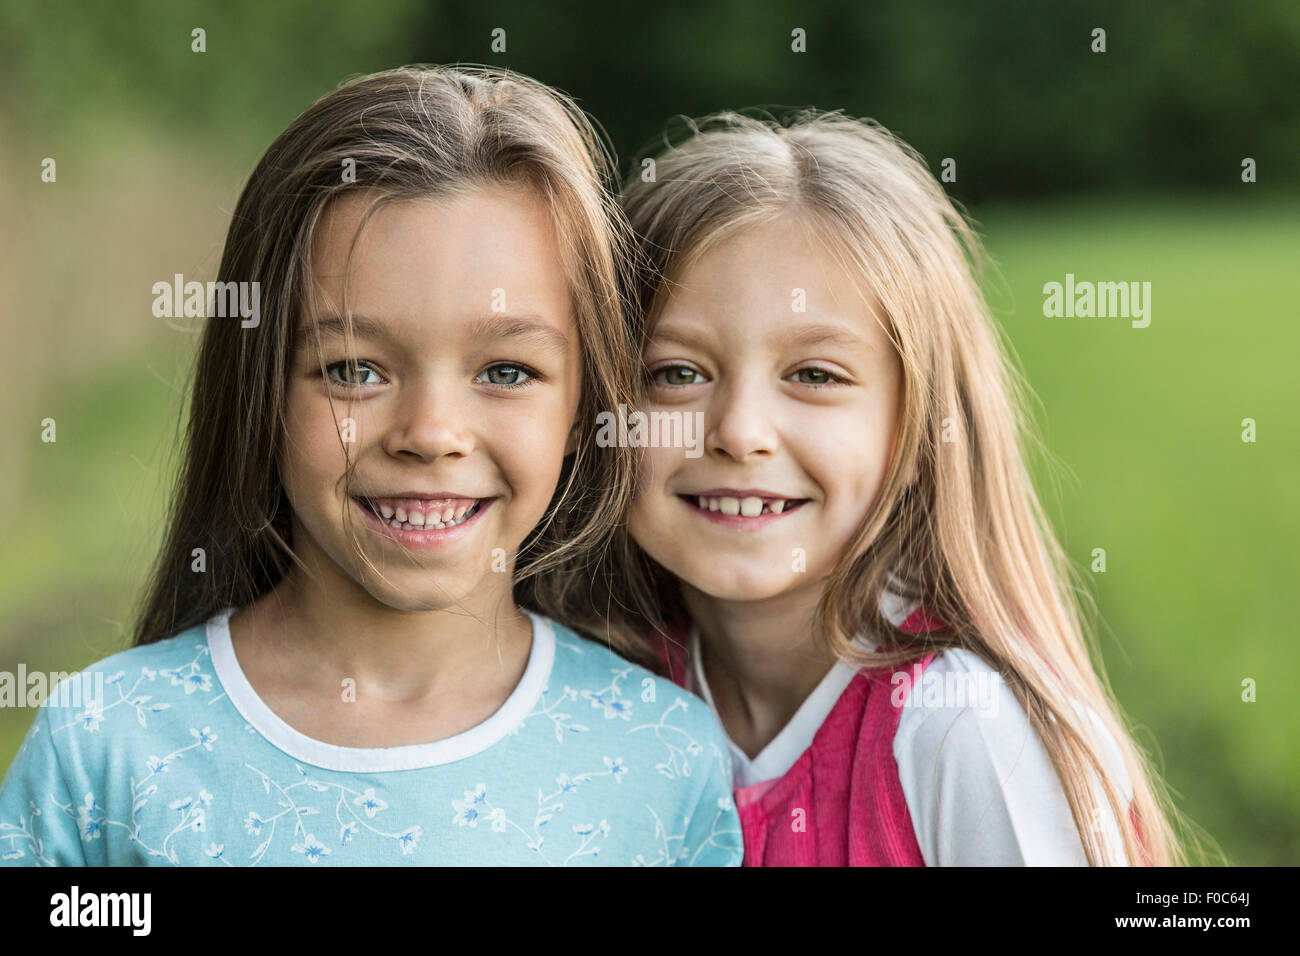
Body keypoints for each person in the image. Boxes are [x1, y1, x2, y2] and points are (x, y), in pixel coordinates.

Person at [0, 67, 741, 867]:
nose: (430, 434)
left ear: (582, 406)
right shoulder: (105, 746)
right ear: (263, 394)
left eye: (506, 372)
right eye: (356, 370)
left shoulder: (660, 759)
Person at [609, 109, 1192, 865]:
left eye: (814, 375)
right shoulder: (603, 692)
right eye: (676, 374)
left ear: (918, 430)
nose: (740, 431)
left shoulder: (968, 732)